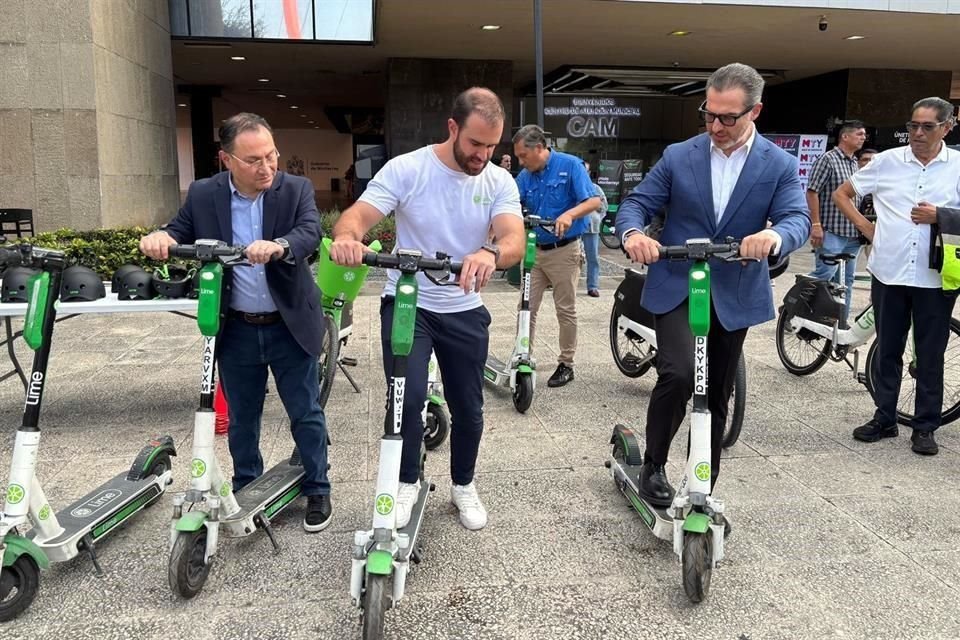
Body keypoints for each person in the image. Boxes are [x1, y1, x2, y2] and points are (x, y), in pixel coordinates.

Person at [617, 63, 810, 513]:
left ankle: (702, 478)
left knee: (717, 389)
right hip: (679, 282)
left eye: (728, 118)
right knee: (681, 373)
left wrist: (774, 237)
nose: (716, 126)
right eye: (709, 114)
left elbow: (797, 219)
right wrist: (634, 235)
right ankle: (654, 463)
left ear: (755, 111)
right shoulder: (679, 155)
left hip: (735, 287)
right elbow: (637, 203)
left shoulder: (777, 164)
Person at [329, 88, 524, 530]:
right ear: (453, 128)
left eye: (493, 146)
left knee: (468, 406)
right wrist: (347, 238)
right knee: (406, 396)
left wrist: (491, 252)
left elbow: (514, 238)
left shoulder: (497, 180)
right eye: (476, 144)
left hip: (463, 306)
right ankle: (406, 482)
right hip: (408, 302)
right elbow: (358, 216)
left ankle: (463, 485)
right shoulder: (409, 169)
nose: (483, 155)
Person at [139, 112, 333, 532]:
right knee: (243, 417)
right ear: (226, 159)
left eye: (271, 155)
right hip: (238, 326)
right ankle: (249, 486)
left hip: (289, 323)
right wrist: (162, 238)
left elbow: (310, 232)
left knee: (305, 410)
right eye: (253, 160)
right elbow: (179, 229)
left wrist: (280, 245)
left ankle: (318, 486)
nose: (266, 167)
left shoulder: (294, 188)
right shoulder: (205, 193)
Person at [833, 97, 960, 456]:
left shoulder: (958, 166)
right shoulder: (887, 161)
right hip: (889, 271)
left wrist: (942, 215)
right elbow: (844, 194)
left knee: (931, 355)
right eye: (912, 126)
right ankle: (884, 417)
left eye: (927, 127)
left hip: (936, 277)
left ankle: (925, 426)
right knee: (888, 348)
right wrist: (866, 228)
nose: (917, 133)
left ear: (947, 127)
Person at [513, 125, 602, 387]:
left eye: (523, 156)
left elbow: (594, 201)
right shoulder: (526, 175)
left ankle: (566, 363)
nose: (521, 161)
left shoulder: (570, 165)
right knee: (526, 306)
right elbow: (510, 200)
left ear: (539, 148)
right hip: (533, 251)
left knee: (565, 309)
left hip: (564, 250)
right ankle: (523, 354)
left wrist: (569, 214)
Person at [806, 121, 867, 324]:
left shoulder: (853, 163)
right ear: (845, 137)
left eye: (864, 134)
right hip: (831, 230)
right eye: (859, 134)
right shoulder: (828, 160)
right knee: (824, 275)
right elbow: (812, 191)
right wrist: (816, 225)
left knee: (846, 281)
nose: (863, 137)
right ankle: (796, 307)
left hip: (851, 234)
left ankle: (840, 320)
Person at [581, 163, 607, 297]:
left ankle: (592, 286)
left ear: (589, 172)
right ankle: (569, 285)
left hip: (592, 228)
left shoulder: (596, 189)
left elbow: (604, 208)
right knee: (573, 258)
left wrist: (597, 218)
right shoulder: (574, 188)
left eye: (586, 171)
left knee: (593, 258)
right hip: (576, 228)